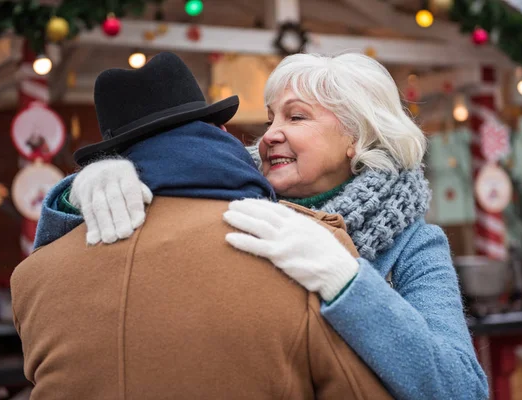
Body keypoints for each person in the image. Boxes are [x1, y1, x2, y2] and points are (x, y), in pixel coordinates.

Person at [36, 53, 489, 400]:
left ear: (359, 136)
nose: (269, 133)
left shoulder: (415, 245)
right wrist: (83, 190)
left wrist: (349, 283)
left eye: (296, 116)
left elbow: (461, 388)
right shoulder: (230, 194)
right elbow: (56, 274)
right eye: (270, 116)